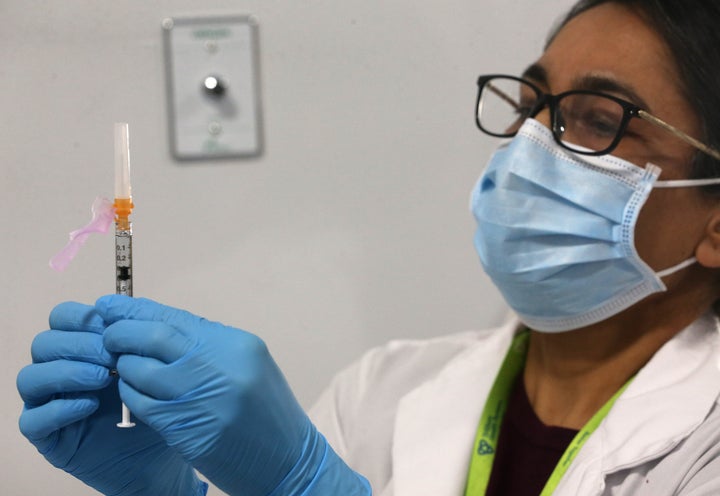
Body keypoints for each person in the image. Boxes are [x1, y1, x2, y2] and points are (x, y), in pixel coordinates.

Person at [17, 0, 720, 494]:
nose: (529, 144)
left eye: (597, 119)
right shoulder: (383, 392)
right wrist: (169, 495)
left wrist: (307, 489)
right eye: (527, 105)